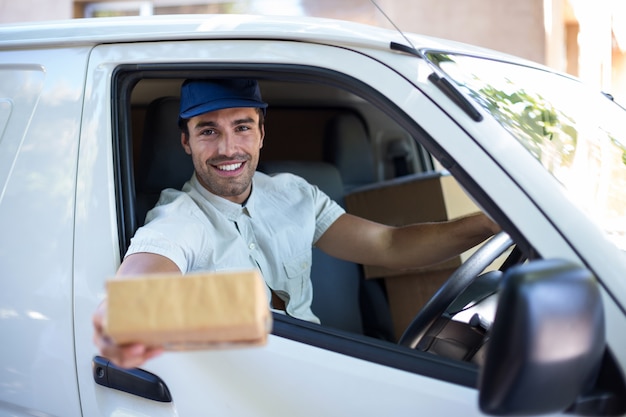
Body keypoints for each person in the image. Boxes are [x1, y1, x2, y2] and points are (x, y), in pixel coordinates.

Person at [93, 78, 500, 368]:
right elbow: (131, 297)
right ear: (186, 142)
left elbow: (389, 246)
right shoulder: (178, 219)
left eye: (242, 127)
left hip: (319, 363)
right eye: (208, 131)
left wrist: (487, 225)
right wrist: (121, 317)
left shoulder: (294, 193)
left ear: (261, 133)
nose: (228, 148)